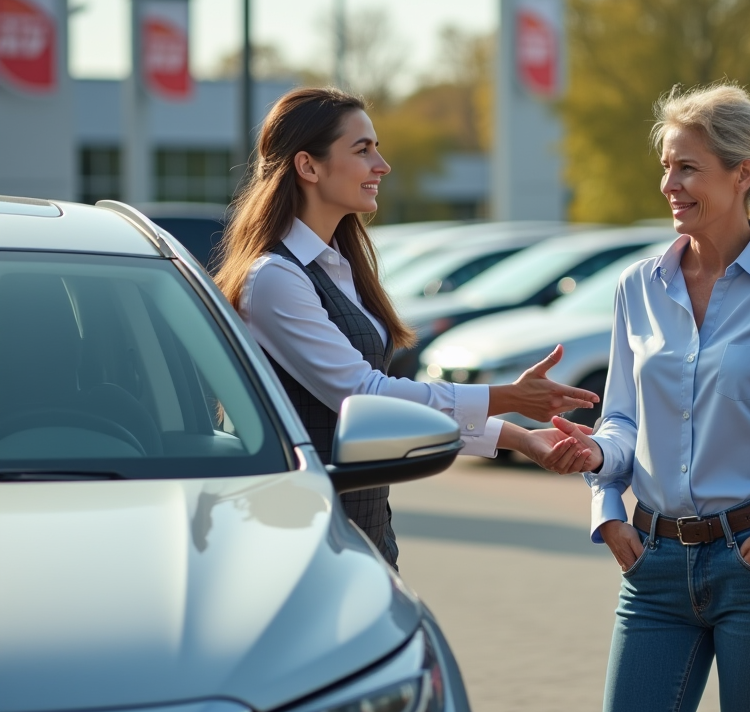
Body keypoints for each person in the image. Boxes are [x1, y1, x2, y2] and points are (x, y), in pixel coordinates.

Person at [542, 83, 750, 712]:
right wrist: (604, 497)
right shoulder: (638, 286)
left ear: (743, 174)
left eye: (687, 167)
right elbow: (622, 421)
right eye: (666, 166)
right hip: (651, 565)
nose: (669, 185)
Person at [214, 87, 598, 568]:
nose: (382, 165)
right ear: (308, 166)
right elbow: (365, 397)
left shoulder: (339, 266)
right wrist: (509, 398)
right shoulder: (275, 277)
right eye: (362, 150)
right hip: (301, 544)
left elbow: (388, 407)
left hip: (361, 536)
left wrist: (520, 437)